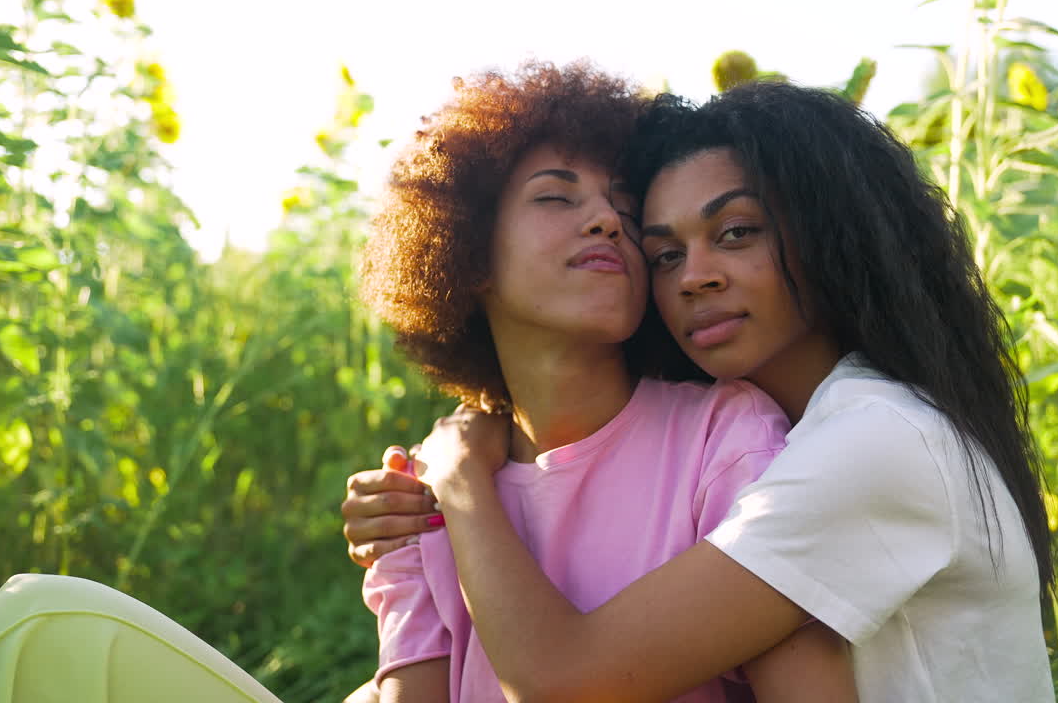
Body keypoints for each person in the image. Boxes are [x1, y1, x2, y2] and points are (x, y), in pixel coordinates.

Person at [344, 82, 1057, 702]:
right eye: (665, 254)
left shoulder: (874, 439)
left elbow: (565, 681)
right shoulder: (813, 429)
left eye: (737, 232)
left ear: (829, 234)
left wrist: (460, 476)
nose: (695, 278)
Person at [352, 61, 855, 703]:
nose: (606, 221)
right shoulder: (414, 492)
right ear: (466, 249)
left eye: (624, 203)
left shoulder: (727, 437)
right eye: (557, 196)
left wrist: (462, 481)